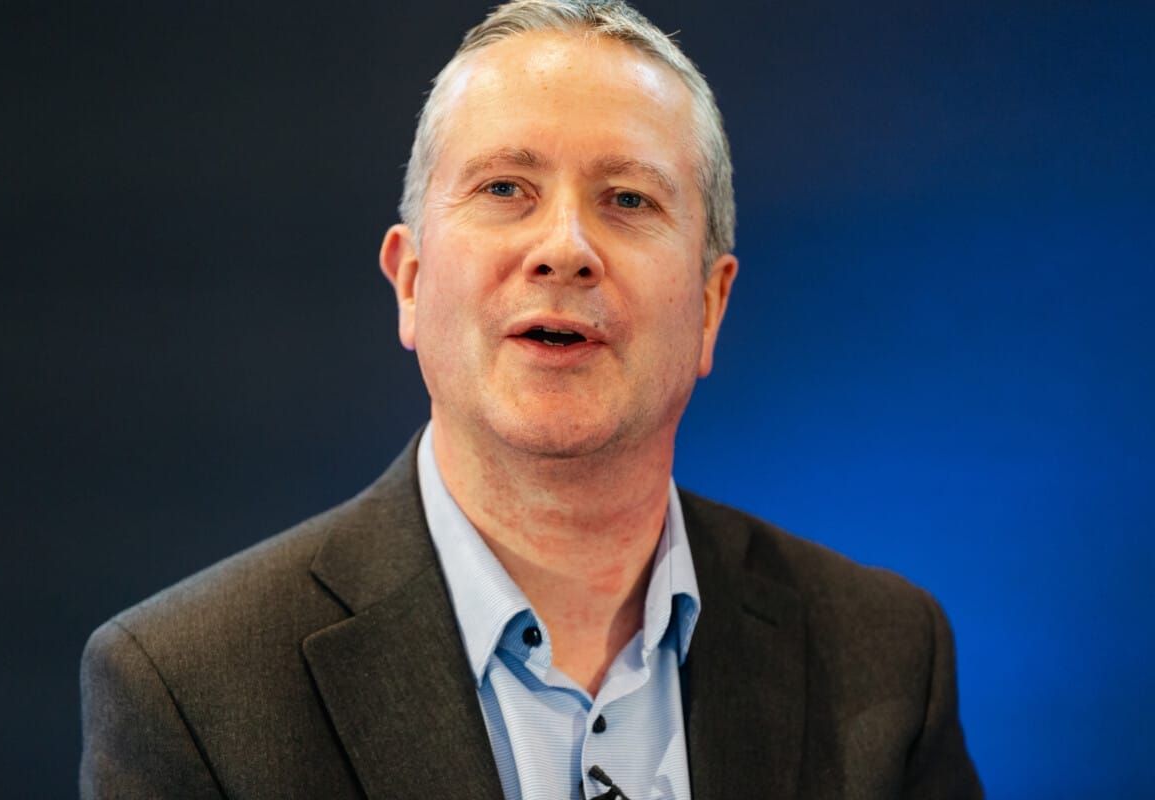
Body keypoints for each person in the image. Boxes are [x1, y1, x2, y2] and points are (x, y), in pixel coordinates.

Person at [79, 1, 983, 798]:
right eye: (506, 189)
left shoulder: (885, 657)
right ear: (410, 282)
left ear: (711, 307)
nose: (565, 250)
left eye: (628, 199)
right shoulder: (190, 691)